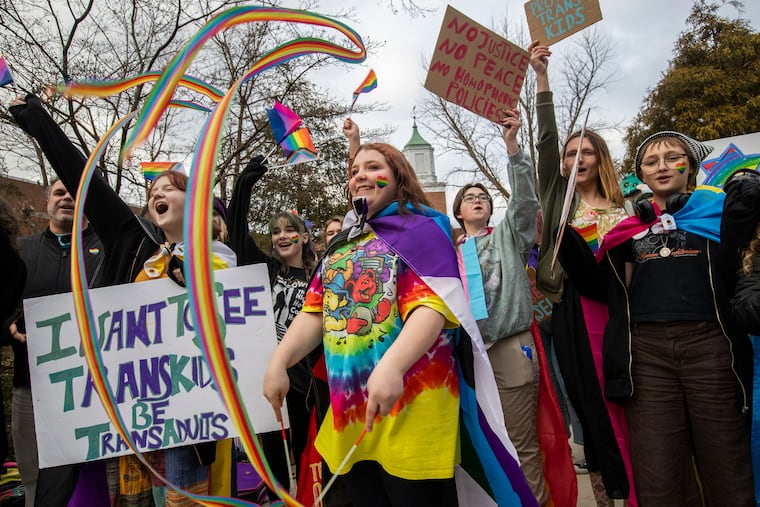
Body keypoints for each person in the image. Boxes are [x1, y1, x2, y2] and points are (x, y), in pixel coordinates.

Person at [10, 94, 236, 506]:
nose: (156, 194)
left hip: (193, 416)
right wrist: (38, 123)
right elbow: (88, 185)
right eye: (153, 190)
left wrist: (194, 282)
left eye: (170, 187)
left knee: (187, 500)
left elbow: (236, 325)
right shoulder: (135, 246)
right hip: (135, 415)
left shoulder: (221, 259)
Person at [263, 140, 465, 506]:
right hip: (351, 416)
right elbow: (314, 312)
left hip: (412, 411)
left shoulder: (423, 231)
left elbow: (431, 310)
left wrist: (392, 366)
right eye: (355, 171)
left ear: (398, 175)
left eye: (373, 167)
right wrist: (279, 362)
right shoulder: (342, 244)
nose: (361, 176)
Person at [561, 131, 754, 506]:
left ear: (691, 167)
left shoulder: (719, 216)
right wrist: (569, 249)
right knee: (657, 471)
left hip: (710, 349)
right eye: (651, 162)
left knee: (724, 463)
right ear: (642, 176)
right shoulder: (627, 232)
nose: (662, 167)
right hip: (648, 358)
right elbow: (609, 292)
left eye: (672, 158)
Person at [529, 41, 636, 505]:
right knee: (592, 408)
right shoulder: (560, 201)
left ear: (601, 158)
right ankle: (611, 491)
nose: (576, 160)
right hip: (578, 314)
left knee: (633, 403)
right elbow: (547, 140)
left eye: (586, 152)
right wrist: (542, 80)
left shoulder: (627, 206)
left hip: (628, 314)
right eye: (571, 154)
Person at [451, 108, 547, 504]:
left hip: (509, 347)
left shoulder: (508, 235)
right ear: (458, 212)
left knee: (520, 442)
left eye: (483, 198)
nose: (477, 201)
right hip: (467, 356)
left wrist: (513, 149)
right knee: (482, 444)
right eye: (469, 198)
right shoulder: (447, 250)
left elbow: (525, 203)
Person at [4, 176, 104, 507]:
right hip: (29, 386)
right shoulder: (21, 250)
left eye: (75, 193)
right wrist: (9, 327)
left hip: (92, 389)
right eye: (59, 192)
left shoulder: (107, 250)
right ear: (47, 201)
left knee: (93, 480)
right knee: (33, 477)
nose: (67, 198)